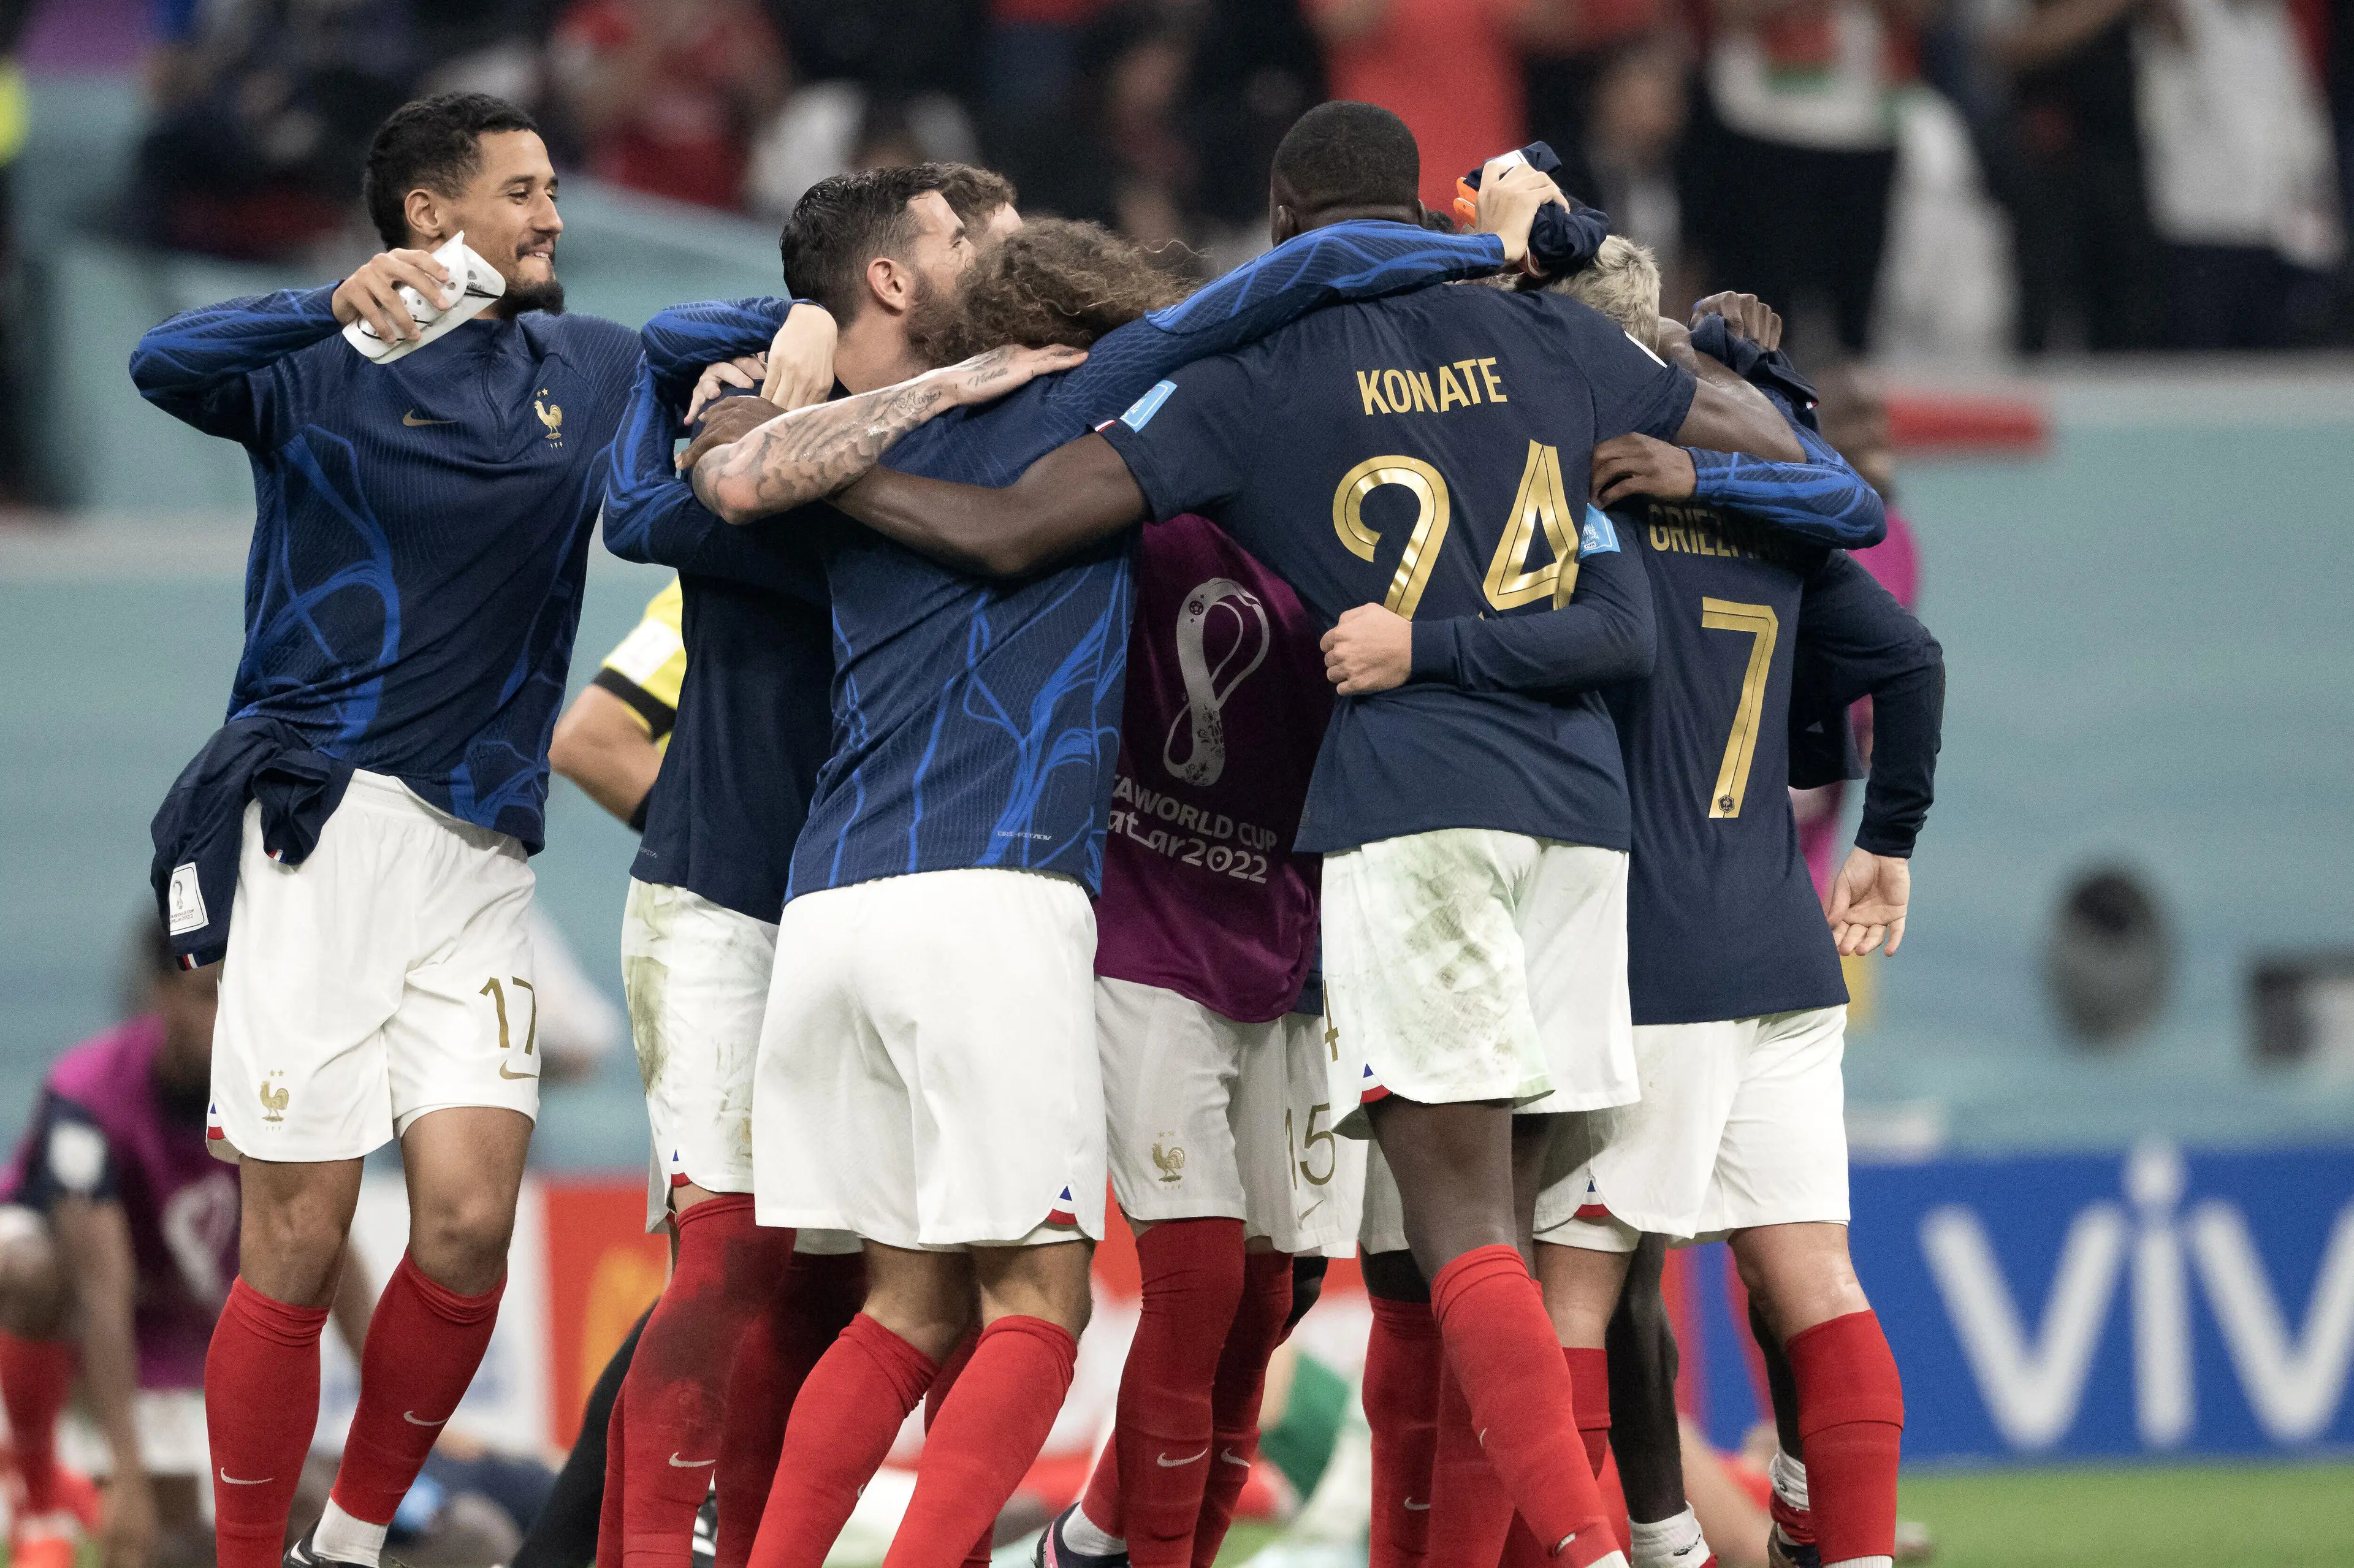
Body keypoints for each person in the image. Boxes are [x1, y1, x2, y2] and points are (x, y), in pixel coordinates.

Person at [790, 99, 1845, 1568]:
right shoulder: (1551, 343)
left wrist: (794, 453)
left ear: (1281, 223)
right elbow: (1796, 466)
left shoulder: (1254, 371)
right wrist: (1688, 444)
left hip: (1395, 831)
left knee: (1434, 1242)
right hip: (1546, 835)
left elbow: (1016, 526)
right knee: (1493, 1261)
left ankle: (1590, 1557)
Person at [677, 150, 1571, 1568]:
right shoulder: (1092, 405)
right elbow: (1309, 270)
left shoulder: (825, 444)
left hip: (826, 905)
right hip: (995, 893)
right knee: (1040, 1309)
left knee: (902, 1309)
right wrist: (1502, 260)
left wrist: (758, 360)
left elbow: (680, 482)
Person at [127, 92, 646, 1568]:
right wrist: (318, 300)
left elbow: (732, 331)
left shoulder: (587, 364)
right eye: (524, 190)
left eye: (552, 188)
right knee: (292, 1242)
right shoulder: (313, 365)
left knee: (470, 1226)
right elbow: (159, 362)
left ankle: (345, 1547)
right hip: (318, 836)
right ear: (430, 218)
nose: (553, 216)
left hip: (481, 857)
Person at [594, 162, 1064, 1568]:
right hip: (725, 893)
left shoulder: (980, 424)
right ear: (890, 274)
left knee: (857, 1289)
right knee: (736, 1260)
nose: (1006, 251)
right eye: (973, 232)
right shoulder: (770, 425)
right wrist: (784, 313)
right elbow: (641, 508)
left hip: (858, 903)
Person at [1525, 245, 1942, 1568]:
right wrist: (1890, 837)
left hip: (1650, 948)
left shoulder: (1584, 518)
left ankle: (1632, 1551)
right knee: (1814, 1281)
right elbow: (1912, 658)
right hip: (1782, 934)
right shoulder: (1775, 514)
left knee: (1570, 1298)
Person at [1040, 504, 1362, 1568]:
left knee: (1275, 1287)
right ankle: (1111, 1547)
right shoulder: (1143, 507)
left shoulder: (1343, 528)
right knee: (1197, 1280)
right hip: (1143, 943)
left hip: (1279, 956)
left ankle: (1096, 1547)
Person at [0, 926, 370, 1568]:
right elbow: (101, 1292)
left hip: (174, 1329)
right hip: (75, 1322)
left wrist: (386, 1406)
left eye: (239, 998)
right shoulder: (89, 1095)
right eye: (206, 996)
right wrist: (130, 1472)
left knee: (275, 1519)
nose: (227, 1018)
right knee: (32, 1273)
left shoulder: (266, 1091)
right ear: (160, 996)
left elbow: (333, 1248)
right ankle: (37, 1490)